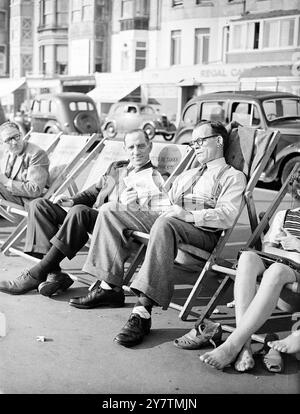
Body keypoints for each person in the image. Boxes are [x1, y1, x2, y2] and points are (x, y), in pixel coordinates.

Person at [70, 120, 246, 348]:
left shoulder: (232, 176)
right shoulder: (187, 174)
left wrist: (188, 216)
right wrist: (138, 204)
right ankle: (108, 287)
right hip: (169, 219)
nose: (196, 147)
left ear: (219, 141)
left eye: (200, 141)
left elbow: (228, 215)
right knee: (110, 209)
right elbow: (163, 204)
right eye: (193, 143)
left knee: (166, 223)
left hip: (201, 230)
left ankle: (142, 311)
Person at [0, 129, 169, 298]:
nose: (136, 151)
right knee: (39, 205)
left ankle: (36, 274)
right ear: (125, 148)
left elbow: (156, 215)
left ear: (150, 146)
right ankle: (54, 274)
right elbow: (93, 192)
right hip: (89, 218)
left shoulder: (157, 177)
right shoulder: (117, 167)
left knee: (79, 211)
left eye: (141, 146)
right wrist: (71, 200)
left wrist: (132, 206)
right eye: (131, 147)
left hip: (116, 227)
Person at [198, 184, 300, 372]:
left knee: (276, 269)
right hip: (277, 273)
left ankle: (232, 344)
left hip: (293, 282)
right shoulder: (284, 216)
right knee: (248, 256)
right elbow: (267, 249)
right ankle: (244, 346)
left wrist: (296, 245)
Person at [0, 121, 49, 208]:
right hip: (9, 196)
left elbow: (35, 189)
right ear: (2, 142)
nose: (14, 142)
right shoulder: (6, 151)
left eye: (16, 136)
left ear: (21, 134)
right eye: (8, 140)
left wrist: (6, 181)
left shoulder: (36, 154)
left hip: (27, 201)